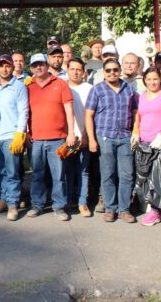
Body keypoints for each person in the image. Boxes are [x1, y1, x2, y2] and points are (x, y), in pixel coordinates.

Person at [85, 59, 138, 223]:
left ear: (120, 70)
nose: (112, 73)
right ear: (103, 72)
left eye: (115, 69)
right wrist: (92, 139)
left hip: (125, 137)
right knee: (108, 174)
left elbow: (136, 113)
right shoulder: (97, 90)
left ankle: (124, 209)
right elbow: (89, 115)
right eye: (108, 70)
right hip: (105, 137)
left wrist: (135, 131)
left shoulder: (129, 89)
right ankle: (110, 208)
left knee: (127, 175)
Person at [25, 53, 75, 220]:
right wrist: (25, 132)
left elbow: (69, 110)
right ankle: (37, 205)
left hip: (58, 138)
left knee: (58, 175)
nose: (38, 67)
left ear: (47, 65)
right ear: (31, 68)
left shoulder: (60, 83)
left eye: (41, 64)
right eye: (35, 65)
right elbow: (24, 112)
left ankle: (59, 206)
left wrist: (71, 133)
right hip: (36, 139)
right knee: (37, 174)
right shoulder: (28, 86)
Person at [133, 67, 161, 226]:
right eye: (149, 79)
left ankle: (156, 210)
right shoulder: (142, 97)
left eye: (155, 79)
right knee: (146, 175)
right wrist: (135, 132)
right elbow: (138, 117)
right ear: (144, 80)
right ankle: (152, 205)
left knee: (157, 176)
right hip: (145, 143)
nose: (152, 82)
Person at [0, 54, 28, 221]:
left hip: (11, 136)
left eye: (8, 65)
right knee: (0, 171)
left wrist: (20, 133)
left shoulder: (18, 86)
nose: (4, 69)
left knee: (12, 172)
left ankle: (13, 204)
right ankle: (4, 199)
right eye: (1, 65)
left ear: (12, 67)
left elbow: (23, 111)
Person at [65, 58, 93, 217]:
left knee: (83, 171)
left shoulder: (89, 89)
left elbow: (92, 115)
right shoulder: (62, 87)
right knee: (67, 171)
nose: (75, 72)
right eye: (72, 69)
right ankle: (68, 201)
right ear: (67, 70)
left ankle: (83, 203)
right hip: (66, 137)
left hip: (84, 137)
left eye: (78, 69)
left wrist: (86, 136)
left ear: (83, 72)